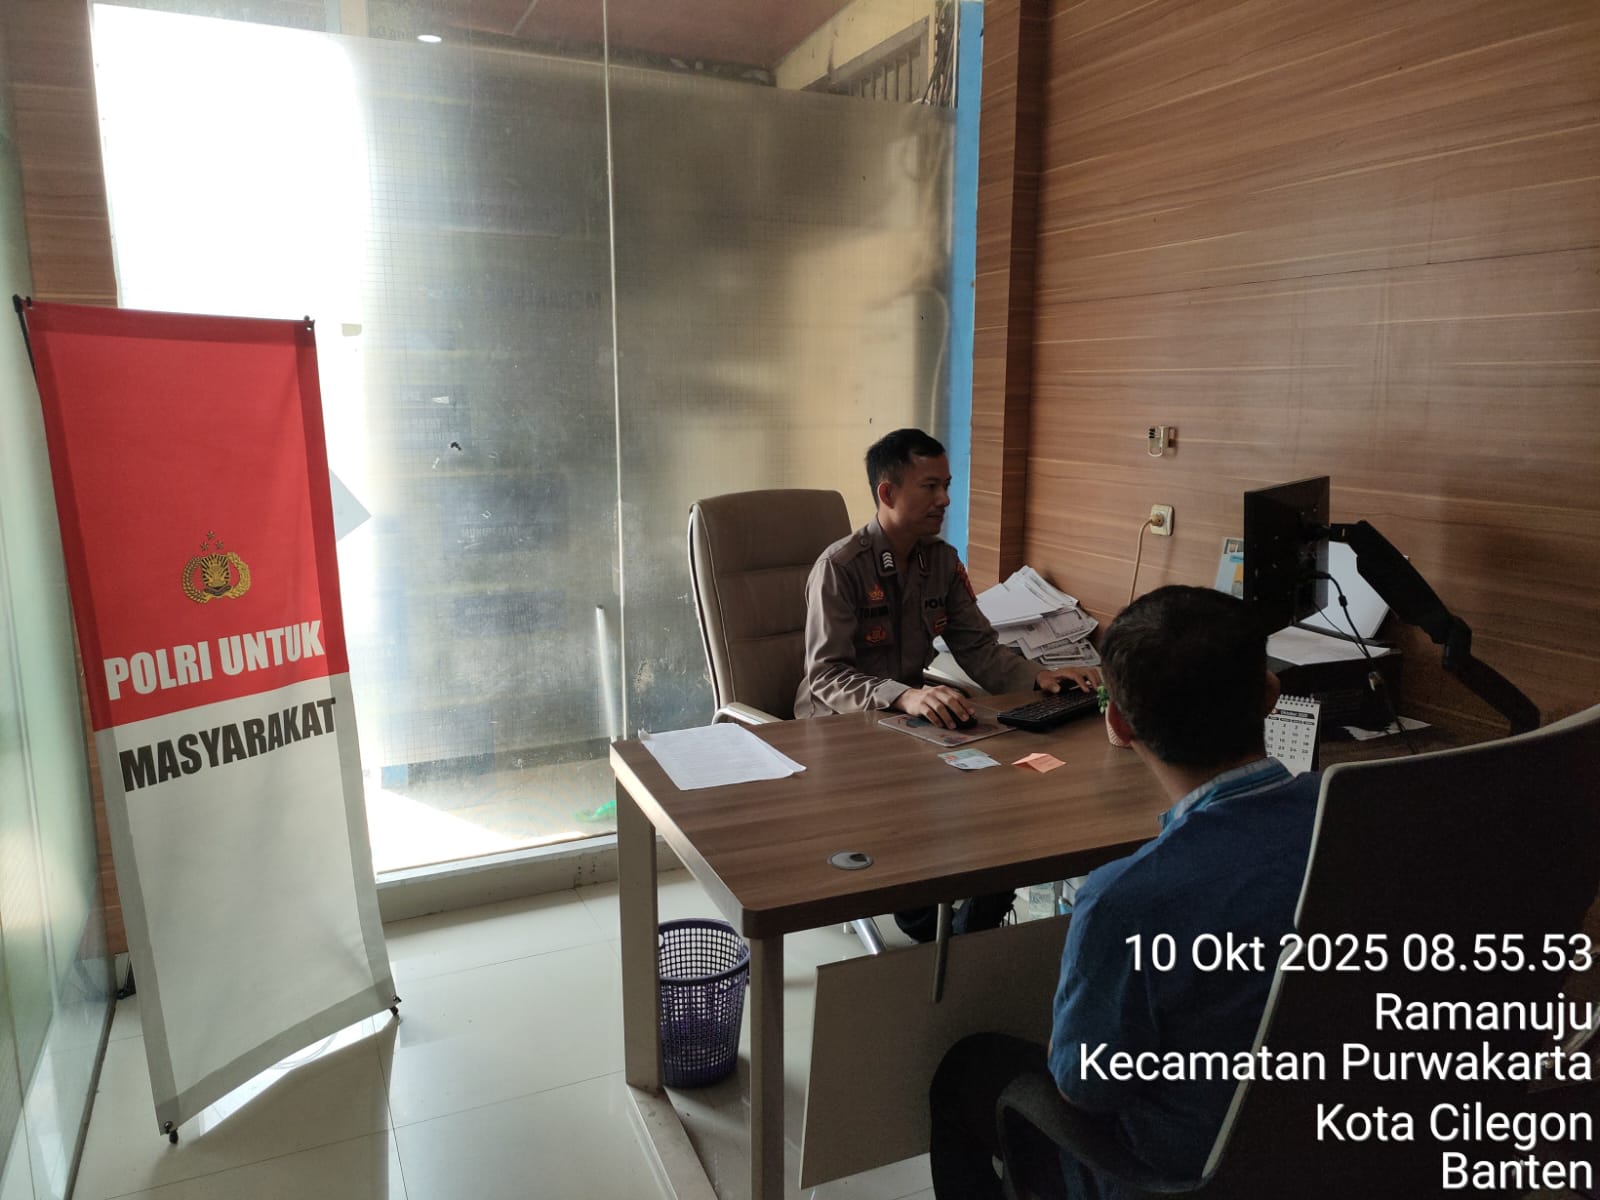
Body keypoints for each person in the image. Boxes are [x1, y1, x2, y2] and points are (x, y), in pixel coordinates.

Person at [928, 585, 1322, 1199]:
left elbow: (1084, 1089)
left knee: (967, 1070)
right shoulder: (1362, 828)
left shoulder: (1127, 899)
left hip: (1178, 1177)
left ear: (1117, 723)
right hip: (1331, 1149)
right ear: (1271, 694)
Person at [796, 427, 1100, 941]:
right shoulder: (841, 567)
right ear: (887, 492)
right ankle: (929, 922)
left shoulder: (940, 561)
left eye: (947, 486)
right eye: (930, 486)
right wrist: (904, 694)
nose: (945, 500)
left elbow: (978, 647)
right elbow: (826, 675)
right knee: (936, 800)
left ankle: (972, 917)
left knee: (1005, 782)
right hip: (838, 728)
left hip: (911, 722)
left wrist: (1039, 676)